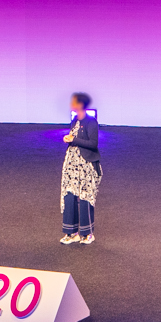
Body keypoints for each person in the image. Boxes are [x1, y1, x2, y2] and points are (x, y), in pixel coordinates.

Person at [58, 93, 101, 245]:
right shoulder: (75, 120)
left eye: (74, 102)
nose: (71, 104)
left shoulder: (91, 122)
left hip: (86, 166)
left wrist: (74, 139)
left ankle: (87, 233)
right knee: (69, 195)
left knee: (84, 198)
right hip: (72, 166)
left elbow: (93, 143)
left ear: (81, 105)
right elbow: (74, 136)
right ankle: (71, 232)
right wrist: (68, 139)